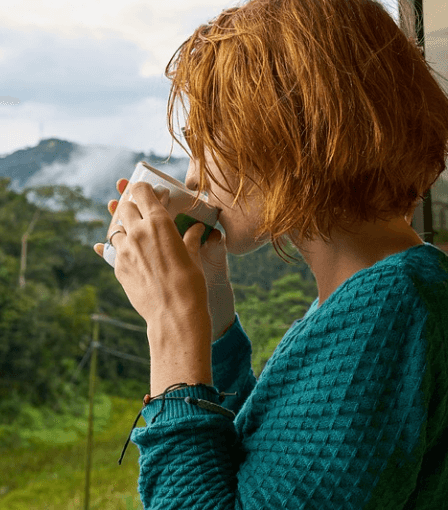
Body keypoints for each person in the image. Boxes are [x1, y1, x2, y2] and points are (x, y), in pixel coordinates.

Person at [92, 0, 448, 507]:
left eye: (204, 143)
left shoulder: (392, 308)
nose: (193, 178)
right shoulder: (373, 294)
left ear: (283, 129)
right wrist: (213, 316)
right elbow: (261, 467)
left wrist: (172, 326)